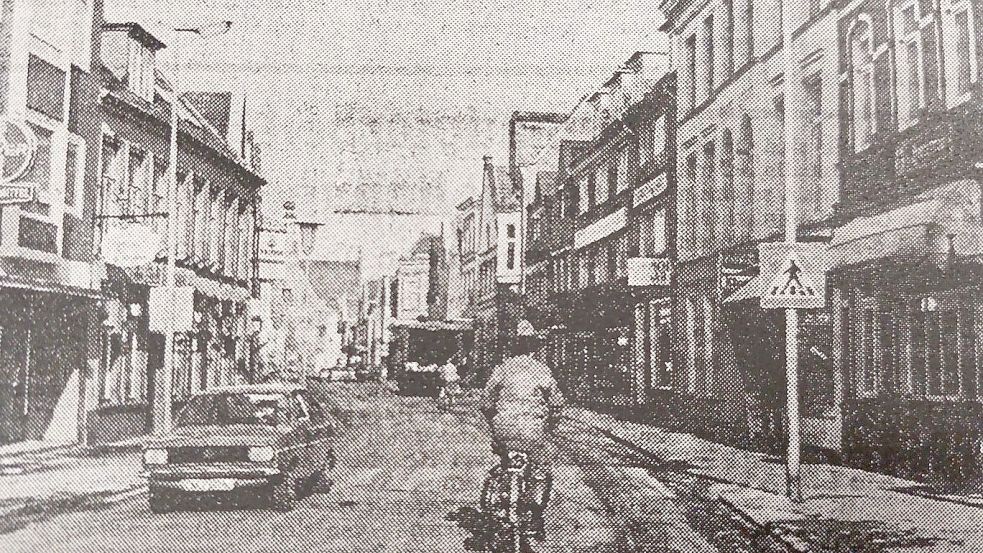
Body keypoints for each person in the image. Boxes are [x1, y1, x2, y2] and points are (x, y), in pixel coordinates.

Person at [479, 320, 564, 538]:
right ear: (534, 348)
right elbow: (556, 403)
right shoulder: (541, 370)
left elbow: (486, 402)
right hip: (533, 430)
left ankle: (503, 492)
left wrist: (495, 422)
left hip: (504, 426)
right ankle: (535, 517)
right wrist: (551, 425)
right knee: (540, 470)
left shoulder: (502, 368)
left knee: (506, 458)